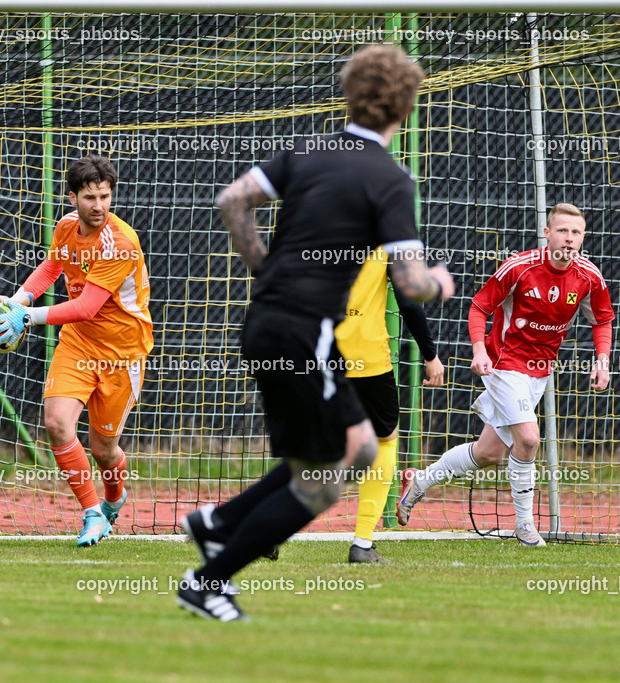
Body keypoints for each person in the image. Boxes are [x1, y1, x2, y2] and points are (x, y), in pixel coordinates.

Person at [176, 44, 453, 621]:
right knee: (341, 464)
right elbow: (410, 283)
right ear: (406, 107)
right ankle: (210, 580)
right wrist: (441, 283)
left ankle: (217, 523)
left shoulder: (309, 149)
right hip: (307, 334)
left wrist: (264, 270)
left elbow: (233, 201)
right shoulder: (391, 180)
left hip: (267, 322)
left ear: (349, 93)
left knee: (330, 455)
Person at [396, 203, 613, 546]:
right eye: (562, 231)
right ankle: (525, 526)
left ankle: (419, 481)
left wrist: (602, 360)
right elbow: (480, 306)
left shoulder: (589, 276)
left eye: (576, 233)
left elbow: (601, 320)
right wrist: (479, 350)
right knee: (528, 439)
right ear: (547, 233)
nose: (569, 239)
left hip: (539, 372)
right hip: (503, 362)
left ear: (583, 237)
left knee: (488, 454)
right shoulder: (520, 267)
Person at [0, 154, 152, 547]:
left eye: (106, 197)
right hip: (78, 341)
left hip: (122, 354)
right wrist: (19, 298)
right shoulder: (66, 227)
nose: (99, 206)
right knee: (57, 424)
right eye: (90, 197)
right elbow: (51, 266)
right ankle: (92, 514)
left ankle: (113, 497)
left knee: (103, 450)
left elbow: (87, 305)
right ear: (72, 197)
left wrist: (27, 317)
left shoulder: (120, 243)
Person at [336, 247, 443, 564]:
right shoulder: (385, 238)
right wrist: (430, 354)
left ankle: (270, 529)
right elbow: (408, 299)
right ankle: (363, 543)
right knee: (385, 440)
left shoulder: (314, 229)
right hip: (368, 361)